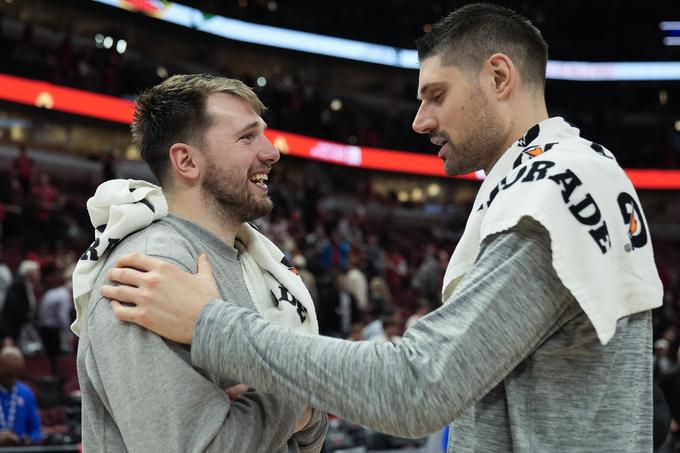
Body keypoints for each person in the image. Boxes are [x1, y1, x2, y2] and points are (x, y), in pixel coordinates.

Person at [103, 4, 663, 452]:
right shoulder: (571, 172)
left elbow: (416, 388)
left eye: (435, 95)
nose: (420, 120)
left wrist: (208, 323)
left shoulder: (551, 194)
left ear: (498, 76)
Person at [73, 74, 327, 452]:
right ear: (187, 161)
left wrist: (289, 405)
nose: (271, 152)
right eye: (247, 137)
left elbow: (313, 429)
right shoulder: (152, 268)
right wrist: (295, 397)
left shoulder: (256, 260)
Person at [0, 346, 41, 446]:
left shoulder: (26, 392)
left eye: (17, 374)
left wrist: (28, 440)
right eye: (9, 374)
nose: (13, 379)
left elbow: (36, 431)